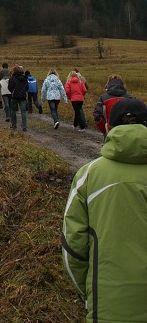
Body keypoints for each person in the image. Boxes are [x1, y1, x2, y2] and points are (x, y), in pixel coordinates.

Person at [62, 98, 147, 323]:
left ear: (108, 128)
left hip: (108, 307)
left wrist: (90, 293)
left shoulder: (88, 176)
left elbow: (73, 248)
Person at [8, 65, 28, 131]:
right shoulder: (24, 78)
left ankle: (14, 125)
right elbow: (27, 87)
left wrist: (13, 91)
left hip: (14, 96)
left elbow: (9, 87)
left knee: (13, 111)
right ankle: (24, 126)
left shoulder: (12, 78)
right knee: (23, 112)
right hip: (23, 96)